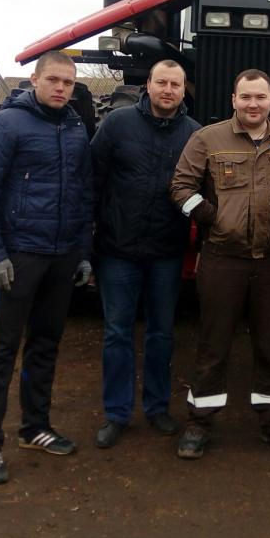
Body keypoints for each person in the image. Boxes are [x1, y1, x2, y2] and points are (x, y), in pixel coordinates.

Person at [0, 50, 94, 485]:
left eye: (68, 83)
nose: (61, 88)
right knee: (0, 352)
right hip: (18, 257)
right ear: (34, 80)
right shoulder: (7, 125)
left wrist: (83, 252)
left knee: (45, 345)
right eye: (54, 80)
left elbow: (82, 194)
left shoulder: (75, 127)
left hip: (60, 257)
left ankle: (34, 427)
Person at [170, 69, 270, 460]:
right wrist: (212, 217)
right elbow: (180, 187)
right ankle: (199, 423)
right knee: (213, 346)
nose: (253, 104)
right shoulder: (207, 139)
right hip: (221, 260)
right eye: (245, 97)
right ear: (234, 100)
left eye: (260, 97)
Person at [91, 60, 200, 448]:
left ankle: (156, 408)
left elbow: (202, 193)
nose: (168, 90)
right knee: (117, 333)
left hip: (166, 252)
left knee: (161, 334)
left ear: (184, 89)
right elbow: (94, 179)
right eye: (161, 83)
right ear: (148, 86)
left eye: (175, 84)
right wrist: (92, 240)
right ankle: (117, 413)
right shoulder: (117, 125)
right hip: (118, 249)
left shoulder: (194, 135)